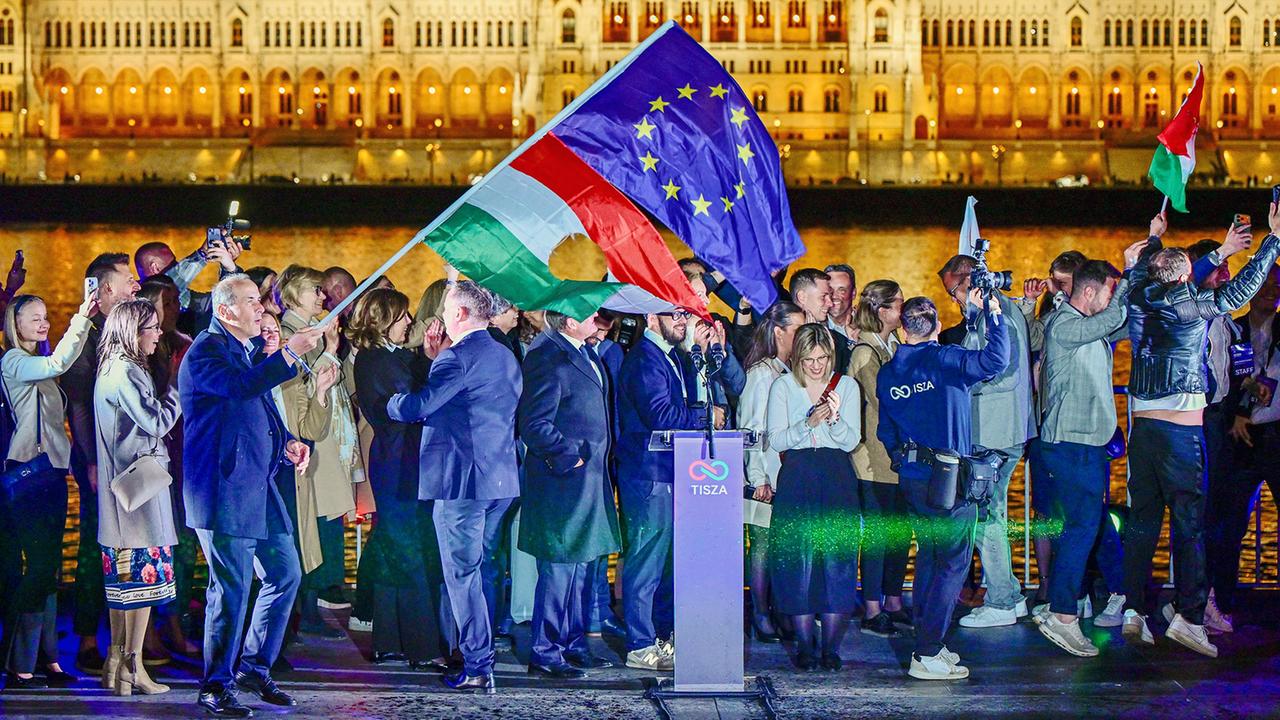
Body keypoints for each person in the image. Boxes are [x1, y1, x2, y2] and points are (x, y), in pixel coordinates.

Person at [1122, 208, 1280, 658]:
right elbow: (1243, 288)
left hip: (1143, 430)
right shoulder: (1190, 306)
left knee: (1143, 522)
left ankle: (1133, 609)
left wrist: (1153, 238)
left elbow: (1143, 273)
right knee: (1190, 525)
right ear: (1185, 277)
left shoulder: (1139, 295)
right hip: (1181, 431)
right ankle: (1190, 617)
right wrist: (1273, 241)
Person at [180, 274, 321, 717]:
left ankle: (254, 668)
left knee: (285, 573)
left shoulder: (243, 349)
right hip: (223, 490)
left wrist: (287, 443)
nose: (260, 308)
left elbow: (255, 405)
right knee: (231, 589)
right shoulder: (206, 350)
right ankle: (215, 684)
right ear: (226, 311)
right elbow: (239, 388)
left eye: (259, 300)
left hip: (257, 485)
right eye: (250, 301)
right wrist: (289, 353)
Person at [388, 281, 521, 693]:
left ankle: (478, 663)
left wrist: (391, 402)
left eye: (446, 310)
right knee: (478, 569)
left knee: (462, 574)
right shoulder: (503, 353)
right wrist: (436, 362)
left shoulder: (458, 357)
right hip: (499, 479)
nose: (441, 316)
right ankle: (476, 651)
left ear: (461, 314)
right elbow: (468, 403)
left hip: (462, 483)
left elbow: (419, 406)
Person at [878, 294, 1009, 680]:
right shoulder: (946, 360)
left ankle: (928, 642)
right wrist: (994, 314)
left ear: (903, 329)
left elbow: (887, 431)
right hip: (949, 482)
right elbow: (996, 361)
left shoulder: (889, 373)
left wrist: (903, 460)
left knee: (930, 559)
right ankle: (926, 651)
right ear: (936, 327)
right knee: (952, 563)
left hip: (913, 479)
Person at [1035, 245, 1144, 657]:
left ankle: (1062, 608)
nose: (1111, 299)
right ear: (1090, 292)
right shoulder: (1064, 324)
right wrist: (1129, 271)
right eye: (1108, 291)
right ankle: (1063, 615)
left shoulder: (1086, 325)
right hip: (1072, 443)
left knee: (1082, 528)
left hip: (1085, 444)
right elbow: (1115, 317)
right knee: (1081, 529)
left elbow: (1123, 320)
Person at [349, 289, 450, 671]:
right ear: (383, 321)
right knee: (410, 550)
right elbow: (414, 403)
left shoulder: (388, 357)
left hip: (401, 461)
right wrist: (433, 367)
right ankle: (423, 647)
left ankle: (388, 640)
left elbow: (415, 373)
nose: (409, 322)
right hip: (398, 463)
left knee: (395, 547)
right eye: (403, 316)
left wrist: (428, 357)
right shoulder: (376, 361)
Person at [517, 310, 621, 678]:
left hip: (589, 481)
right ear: (569, 321)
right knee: (560, 569)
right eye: (590, 314)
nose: (598, 318)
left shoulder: (586, 352)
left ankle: (574, 644)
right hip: (562, 483)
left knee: (584, 565)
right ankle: (545, 651)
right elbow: (533, 422)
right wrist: (568, 458)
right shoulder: (548, 356)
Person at [0, 292, 95, 689]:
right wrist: (83, 318)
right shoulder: (14, 361)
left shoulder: (35, 364)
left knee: (49, 566)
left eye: (44, 317)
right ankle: (17, 661)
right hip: (29, 474)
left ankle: (48, 658)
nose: (43, 323)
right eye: (34, 318)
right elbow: (58, 362)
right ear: (15, 324)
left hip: (51, 473)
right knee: (39, 567)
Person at [937, 253, 1034, 629]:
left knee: (985, 516)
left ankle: (1001, 600)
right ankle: (1010, 593)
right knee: (991, 512)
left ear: (968, 283)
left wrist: (959, 383)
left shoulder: (994, 317)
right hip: (1005, 430)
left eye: (954, 292)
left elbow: (1002, 373)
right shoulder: (1003, 309)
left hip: (993, 432)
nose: (954, 301)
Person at [616, 309, 714, 671]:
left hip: (670, 472)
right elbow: (663, 417)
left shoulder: (672, 356)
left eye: (683, 314)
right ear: (650, 317)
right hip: (648, 474)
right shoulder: (645, 358)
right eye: (673, 314)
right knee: (646, 560)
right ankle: (640, 644)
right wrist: (707, 418)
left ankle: (660, 637)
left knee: (666, 562)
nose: (681, 320)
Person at [94, 299, 183, 695]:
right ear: (133, 332)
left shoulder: (110, 367)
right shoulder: (127, 370)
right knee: (140, 586)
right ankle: (134, 667)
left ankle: (116, 663)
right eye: (152, 328)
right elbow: (156, 421)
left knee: (122, 585)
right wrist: (177, 386)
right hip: (137, 496)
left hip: (120, 494)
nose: (158, 335)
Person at [61, 252, 140, 674]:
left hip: (128, 451)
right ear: (106, 287)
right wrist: (92, 461)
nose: (135, 286)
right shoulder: (87, 335)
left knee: (131, 543)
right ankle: (88, 638)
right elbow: (78, 404)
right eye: (128, 280)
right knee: (97, 544)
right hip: (99, 456)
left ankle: (129, 639)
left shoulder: (124, 328)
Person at [766, 324, 862, 671]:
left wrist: (834, 420)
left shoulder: (846, 386)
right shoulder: (783, 387)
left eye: (822, 359)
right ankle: (805, 646)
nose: (816, 366)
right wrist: (807, 423)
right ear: (798, 358)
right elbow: (776, 440)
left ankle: (831, 648)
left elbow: (851, 440)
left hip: (836, 477)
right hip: (798, 476)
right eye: (809, 360)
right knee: (798, 562)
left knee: (838, 561)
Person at [277, 265, 361, 629]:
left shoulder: (311, 331)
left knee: (319, 522)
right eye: (315, 289)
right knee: (307, 524)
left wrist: (338, 349)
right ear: (294, 294)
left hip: (325, 437)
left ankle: (309, 606)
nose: (322, 296)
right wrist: (329, 350)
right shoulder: (289, 335)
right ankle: (303, 611)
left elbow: (336, 385)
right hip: (308, 440)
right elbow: (305, 388)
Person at [1211, 264, 1280, 635]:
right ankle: (1223, 600)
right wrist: (1240, 409)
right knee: (1230, 523)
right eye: (1264, 283)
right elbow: (1234, 379)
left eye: (1277, 284)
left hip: (1277, 434)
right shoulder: (1235, 329)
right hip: (1241, 439)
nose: (1270, 290)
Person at [137, 276, 199, 657]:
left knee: (184, 545)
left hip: (185, 454)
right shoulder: (144, 352)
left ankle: (175, 623)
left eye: (177, 301)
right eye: (169, 301)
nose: (176, 308)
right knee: (154, 543)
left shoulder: (184, 344)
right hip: (158, 454)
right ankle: (148, 632)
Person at [1023, 250, 1087, 608]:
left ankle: (1074, 585)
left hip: (1077, 429)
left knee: (1078, 510)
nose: (1057, 288)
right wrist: (1031, 304)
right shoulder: (1049, 317)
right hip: (1045, 427)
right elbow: (1030, 340)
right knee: (1045, 510)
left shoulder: (1088, 319)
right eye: (1054, 281)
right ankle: (1047, 582)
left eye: (1064, 283)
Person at [739, 301, 805, 644]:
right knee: (762, 546)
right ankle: (760, 614)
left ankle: (782, 610)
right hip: (766, 474)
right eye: (797, 329)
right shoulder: (761, 373)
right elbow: (751, 429)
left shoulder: (789, 370)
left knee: (783, 546)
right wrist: (757, 477)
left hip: (787, 473)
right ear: (779, 332)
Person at [848, 280, 912, 637]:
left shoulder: (894, 345)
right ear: (881, 310)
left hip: (897, 458)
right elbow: (882, 398)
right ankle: (872, 607)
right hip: (872, 459)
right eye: (899, 303)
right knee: (876, 534)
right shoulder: (864, 352)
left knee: (899, 533)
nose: (904, 309)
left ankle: (894, 600)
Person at [134, 238, 243, 336]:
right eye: (174, 265)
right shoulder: (137, 300)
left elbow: (220, 302)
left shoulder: (184, 297)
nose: (174, 306)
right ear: (155, 268)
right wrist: (203, 254)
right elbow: (168, 283)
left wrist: (229, 269)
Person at [789, 268, 848, 371]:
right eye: (823, 297)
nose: (830, 303)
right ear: (802, 297)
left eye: (829, 296)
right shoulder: (780, 337)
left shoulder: (838, 341)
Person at [824, 263, 859, 344]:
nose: (834, 296)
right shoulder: (815, 328)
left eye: (841, 290)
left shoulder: (868, 325)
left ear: (853, 293)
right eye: (830, 290)